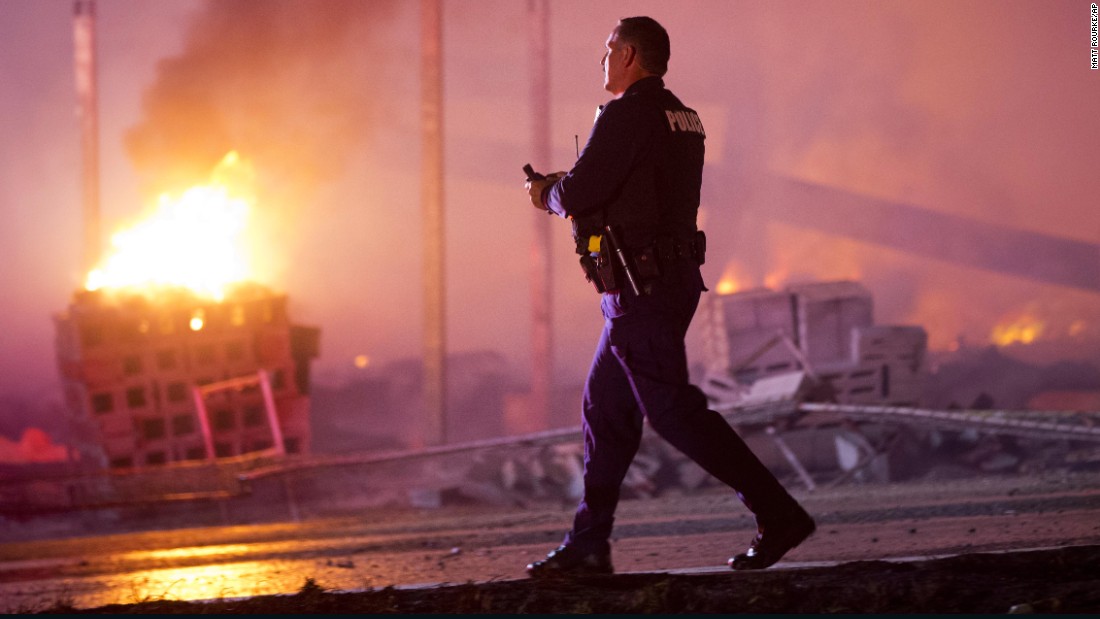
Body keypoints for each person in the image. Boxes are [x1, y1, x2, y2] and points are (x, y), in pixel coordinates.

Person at [522, 16, 815, 577]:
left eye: (608, 49)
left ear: (630, 54)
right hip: (660, 286)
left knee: (674, 413)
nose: (601, 60)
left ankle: (779, 515)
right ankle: (589, 543)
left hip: (642, 291)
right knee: (604, 409)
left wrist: (547, 193)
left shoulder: (629, 114)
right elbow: (635, 187)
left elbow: (583, 191)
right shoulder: (683, 116)